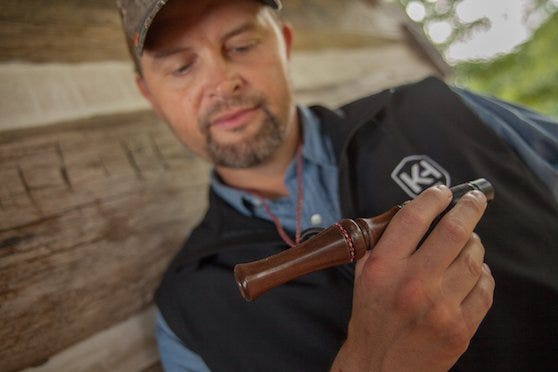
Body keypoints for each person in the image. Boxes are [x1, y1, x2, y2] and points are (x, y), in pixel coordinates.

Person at [116, 0, 558, 371]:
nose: (221, 81)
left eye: (242, 45)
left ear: (284, 44)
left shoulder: (438, 107)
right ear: (149, 95)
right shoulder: (187, 316)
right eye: (180, 66)